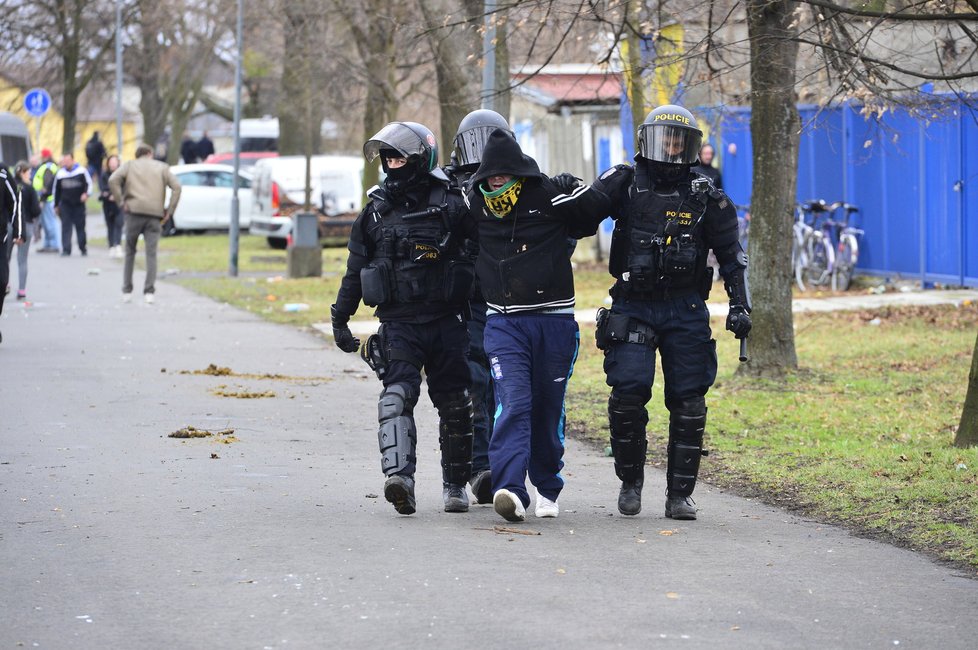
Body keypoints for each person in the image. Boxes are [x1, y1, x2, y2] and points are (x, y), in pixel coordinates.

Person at [573, 104, 751, 520]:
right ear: (647, 142)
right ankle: (630, 482)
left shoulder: (707, 196)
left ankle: (679, 495)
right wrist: (555, 191)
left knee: (689, 401)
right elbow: (576, 218)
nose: (671, 148)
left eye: (679, 141)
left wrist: (740, 305)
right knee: (629, 394)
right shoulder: (626, 184)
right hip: (633, 304)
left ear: (691, 148)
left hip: (686, 306)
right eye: (664, 139)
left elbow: (731, 256)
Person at [330, 122, 478, 516]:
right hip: (399, 324)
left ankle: (455, 486)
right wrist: (340, 317)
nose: (393, 163)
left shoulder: (452, 203)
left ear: (420, 158)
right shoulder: (375, 212)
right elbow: (356, 270)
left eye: (399, 156)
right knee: (396, 398)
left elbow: (484, 252)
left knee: (456, 404)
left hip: (448, 321)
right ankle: (400, 480)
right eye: (388, 157)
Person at [465, 128, 606, 523]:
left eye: (503, 173)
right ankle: (510, 488)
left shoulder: (547, 196)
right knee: (513, 402)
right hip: (504, 323)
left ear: (518, 172)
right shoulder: (472, 203)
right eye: (489, 174)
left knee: (547, 408)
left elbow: (593, 209)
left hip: (555, 322)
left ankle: (547, 487)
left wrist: (615, 174)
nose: (496, 180)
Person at [445, 108, 514, 506]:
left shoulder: (523, 183)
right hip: (468, 304)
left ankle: (506, 469)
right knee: (474, 384)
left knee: (510, 388)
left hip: (510, 300)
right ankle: (480, 467)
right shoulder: (451, 189)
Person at [109, 143, 182, 304]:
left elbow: (113, 179)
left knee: (130, 252)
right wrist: (169, 211)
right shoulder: (162, 167)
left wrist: (121, 201)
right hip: (154, 215)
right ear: (150, 153)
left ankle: (127, 291)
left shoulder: (129, 166)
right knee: (151, 254)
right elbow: (177, 187)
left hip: (133, 212)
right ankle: (149, 292)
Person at [8, 161, 41, 301]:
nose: (30, 174)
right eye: (28, 172)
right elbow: (36, 210)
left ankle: (5, 284)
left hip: (9, 225)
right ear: (22, 173)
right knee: (22, 260)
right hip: (26, 226)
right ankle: (22, 290)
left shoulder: (10, 186)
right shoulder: (29, 188)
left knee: (5, 257)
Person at [52, 152, 92, 256]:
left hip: (78, 204)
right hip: (65, 205)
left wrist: (86, 194)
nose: (66, 163)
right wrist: (55, 205)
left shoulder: (81, 171)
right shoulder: (60, 174)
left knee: (80, 227)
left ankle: (83, 248)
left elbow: (89, 184)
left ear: (73, 160)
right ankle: (66, 249)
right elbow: (56, 191)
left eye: (68, 161)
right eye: (64, 161)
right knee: (66, 227)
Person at [0, 162, 21, 343]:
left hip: (0, 239)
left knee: (1, 282)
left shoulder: (2, 172)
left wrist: (18, 230)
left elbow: (14, 200)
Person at [32, 149, 60, 252]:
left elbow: (47, 186)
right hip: (46, 198)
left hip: (47, 199)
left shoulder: (48, 167)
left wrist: (43, 197)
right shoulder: (49, 166)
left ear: (45, 156)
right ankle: (48, 244)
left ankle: (54, 244)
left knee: (50, 222)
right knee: (45, 222)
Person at [99, 155, 123, 257]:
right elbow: (103, 188)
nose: (113, 164)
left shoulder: (122, 174)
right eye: (111, 162)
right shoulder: (104, 175)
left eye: (115, 162)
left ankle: (118, 245)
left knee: (119, 223)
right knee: (110, 225)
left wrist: (118, 196)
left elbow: (125, 187)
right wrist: (109, 195)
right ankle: (111, 246)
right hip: (108, 204)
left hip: (119, 204)